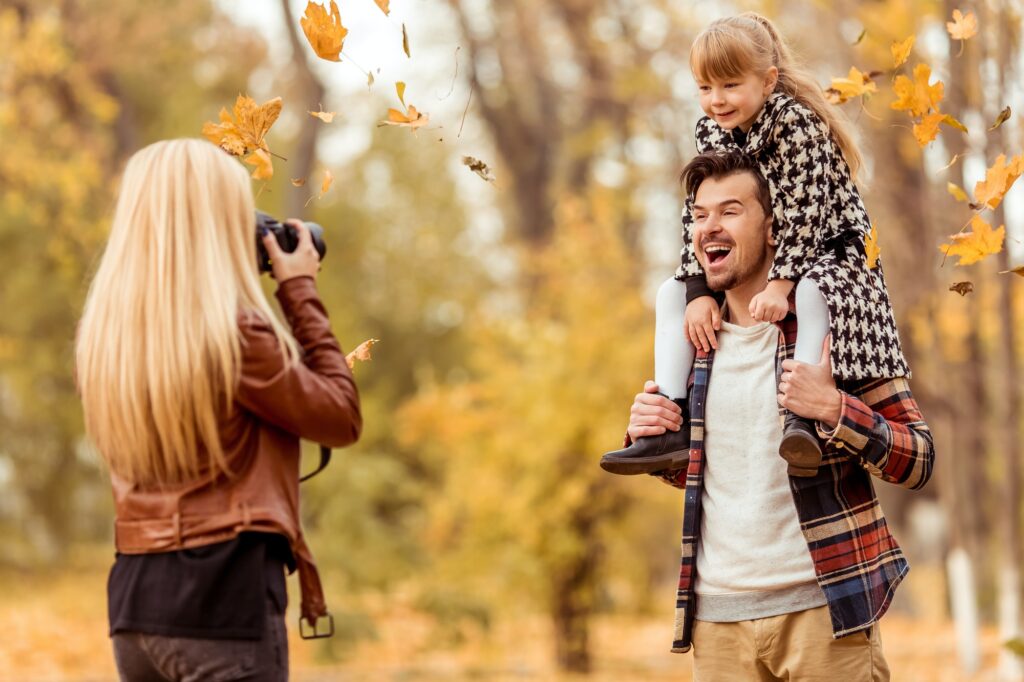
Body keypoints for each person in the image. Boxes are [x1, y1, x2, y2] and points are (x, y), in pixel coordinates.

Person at [618, 149, 934, 679]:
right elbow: (704, 472)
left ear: (773, 228)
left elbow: (919, 457)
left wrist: (834, 410)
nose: (709, 227)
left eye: (730, 210)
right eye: (699, 215)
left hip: (824, 611)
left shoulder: (834, 322)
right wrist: (653, 430)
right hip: (717, 622)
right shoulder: (693, 341)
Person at [75, 138, 362, 681]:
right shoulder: (232, 336)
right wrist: (298, 287)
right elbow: (340, 416)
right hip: (224, 599)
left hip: (136, 605)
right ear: (218, 227)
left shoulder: (105, 341)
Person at [600, 12, 910, 477]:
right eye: (704, 88)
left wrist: (782, 287)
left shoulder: (797, 125)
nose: (716, 101)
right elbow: (694, 214)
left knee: (812, 292)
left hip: (833, 244)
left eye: (728, 86)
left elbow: (806, 214)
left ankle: (801, 414)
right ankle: (668, 422)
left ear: (768, 82)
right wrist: (699, 292)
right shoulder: (713, 132)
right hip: (779, 259)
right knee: (670, 293)